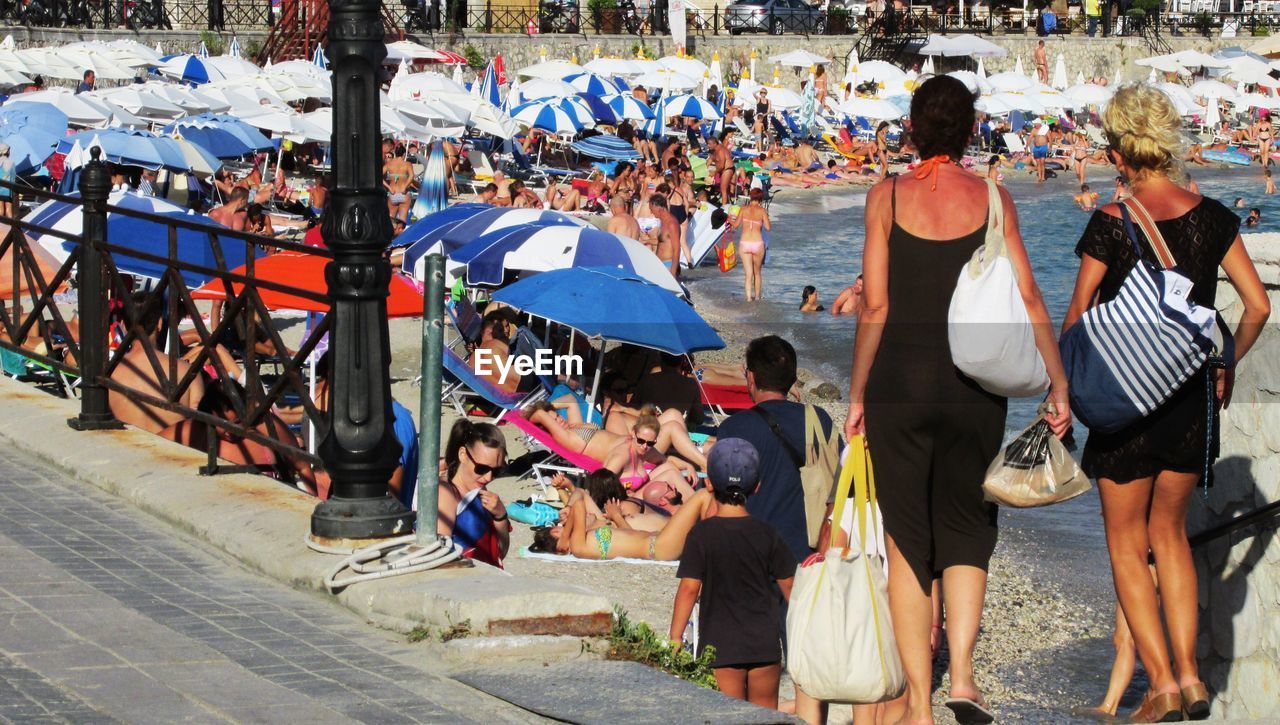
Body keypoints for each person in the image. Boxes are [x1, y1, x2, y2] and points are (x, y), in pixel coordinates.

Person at [845, 76, 1071, 725]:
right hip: (974, 390)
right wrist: (1057, 383)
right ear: (971, 129)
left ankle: (918, 703)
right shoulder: (996, 199)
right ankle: (964, 677)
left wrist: (857, 393)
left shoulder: (884, 196)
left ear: (912, 129)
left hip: (899, 388)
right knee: (969, 528)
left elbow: (877, 304)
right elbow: (1029, 297)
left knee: (909, 540)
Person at [1062, 84, 1270, 723]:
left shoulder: (1112, 221)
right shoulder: (1212, 217)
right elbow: (1258, 306)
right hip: (1188, 403)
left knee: (1126, 545)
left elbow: (1077, 318)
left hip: (1124, 404)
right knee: (1170, 537)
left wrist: (1058, 392)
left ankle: (1160, 687)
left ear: (1123, 149)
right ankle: (1193, 677)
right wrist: (1226, 361)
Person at [669, 439, 796, 709]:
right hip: (764, 645)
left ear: (710, 483)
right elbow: (790, 588)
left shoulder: (701, 535)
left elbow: (689, 589)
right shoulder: (768, 534)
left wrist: (675, 638)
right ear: (757, 486)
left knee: (726, 716)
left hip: (720, 646)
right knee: (765, 716)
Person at [109, 293, 206, 435]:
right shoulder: (187, 373)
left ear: (123, 326)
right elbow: (198, 431)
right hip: (170, 453)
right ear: (159, 323)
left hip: (123, 449)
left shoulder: (110, 372)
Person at [529, 487, 717, 560]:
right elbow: (578, 505)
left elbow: (579, 496)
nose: (563, 527)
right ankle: (720, 549)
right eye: (559, 529)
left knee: (705, 502)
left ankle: (719, 546)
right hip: (658, 547)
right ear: (556, 536)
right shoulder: (578, 546)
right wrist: (566, 536)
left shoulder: (583, 540)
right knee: (703, 495)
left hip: (660, 541)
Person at [436, 419, 511, 568]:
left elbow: (499, 553)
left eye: (497, 471)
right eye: (482, 468)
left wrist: (500, 516)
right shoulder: (445, 492)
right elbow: (440, 556)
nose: (488, 477)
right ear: (463, 454)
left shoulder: (479, 490)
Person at [730, 187, 770, 301]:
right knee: (757, 273)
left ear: (751, 197)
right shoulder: (762, 211)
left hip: (745, 243)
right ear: (760, 199)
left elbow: (735, 226)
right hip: (757, 243)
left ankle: (748, 298)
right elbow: (768, 227)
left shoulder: (743, 209)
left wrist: (730, 220)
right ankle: (757, 297)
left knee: (748, 274)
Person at [385, 145, 415, 221]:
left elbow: (378, 176)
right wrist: (405, 186)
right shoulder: (407, 164)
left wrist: (389, 187)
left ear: (395, 153)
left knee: (391, 220)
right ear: (404, 154)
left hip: (393, 192)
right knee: (402, 220)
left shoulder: (389, 163)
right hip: (404, 193)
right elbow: (411, 176)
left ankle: (391, 232)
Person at [0, 144, 14, 220]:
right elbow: (13, 177)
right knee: (9, 210)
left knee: (0, 210)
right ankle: (12, 228)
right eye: (9, 150)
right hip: (7, 190)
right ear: (6, 152)